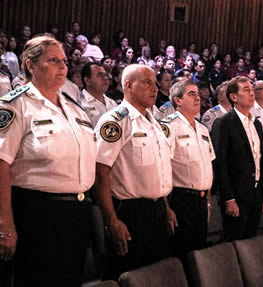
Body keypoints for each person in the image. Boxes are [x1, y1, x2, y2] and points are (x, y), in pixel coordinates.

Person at [0, 35, 96, 287]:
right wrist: (5, 224)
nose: (63, 67)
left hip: (75, 214)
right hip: (36, 214)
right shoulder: (16, 105)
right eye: (53, 60)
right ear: (31, 66)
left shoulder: (74, 109)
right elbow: (1, 164)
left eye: (64, 61)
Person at [94, 64, 174, 280]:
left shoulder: (155, 123)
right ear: (128, 85)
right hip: (130, 212)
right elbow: (101, 173)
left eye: (156, 83)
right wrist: (111, 220)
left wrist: (165, 206)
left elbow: (158, 171)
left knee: (154, 274)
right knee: (127, 274)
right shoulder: (115, 121)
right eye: (147, 82)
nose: (155, 88)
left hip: (157, 208)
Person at [212, 76, 263, 241]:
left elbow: (261, 159)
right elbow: (220, 164)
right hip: (236, 194)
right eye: (246, 90)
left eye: (252, 90)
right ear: (233, 97)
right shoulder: (224, 123)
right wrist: (228, 198)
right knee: (233, 241)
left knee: (250, 240)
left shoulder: (256, 124)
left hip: (255, 193)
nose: (252, 93)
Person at [159, 79, 215, 258]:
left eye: (198, 94)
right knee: (182, 253)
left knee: (199, 254)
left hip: (200, 200)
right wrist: (166, 207)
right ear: (178, 100)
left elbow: (208, 166)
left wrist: (206, 200)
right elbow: (162, 167)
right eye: (192, 94)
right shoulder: (168, 125)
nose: (198, 98)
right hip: (180, 200)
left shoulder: (202, 129)